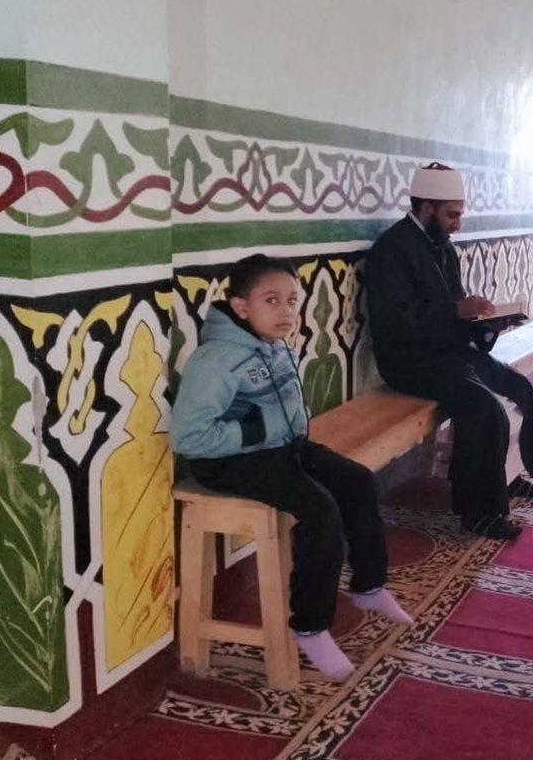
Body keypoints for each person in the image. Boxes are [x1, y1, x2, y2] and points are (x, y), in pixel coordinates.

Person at [171, 254, 412, 682]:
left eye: (291, 300)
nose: (286, 312)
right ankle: (310, 625)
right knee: (319, 510)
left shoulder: (269, 341)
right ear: (241, 307)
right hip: (227, 462)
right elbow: (189, 438)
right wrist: (262, 430)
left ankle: (369, 586)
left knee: (357, 481)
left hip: (282, 447)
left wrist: (288, 434)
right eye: (271, 300)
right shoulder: (216, 360)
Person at [364, 163, 533, 541]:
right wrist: (457, 311)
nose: (457, 224)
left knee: (517, 387)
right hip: (409, 360)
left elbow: (456, 309)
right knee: (483, 408)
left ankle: (509, 477)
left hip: (448, 351)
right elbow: (396, 321)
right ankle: (479, 513)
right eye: (452, 215)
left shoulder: (443, 248)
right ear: (426, 208)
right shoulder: (392, 250)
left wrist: (487, 324)